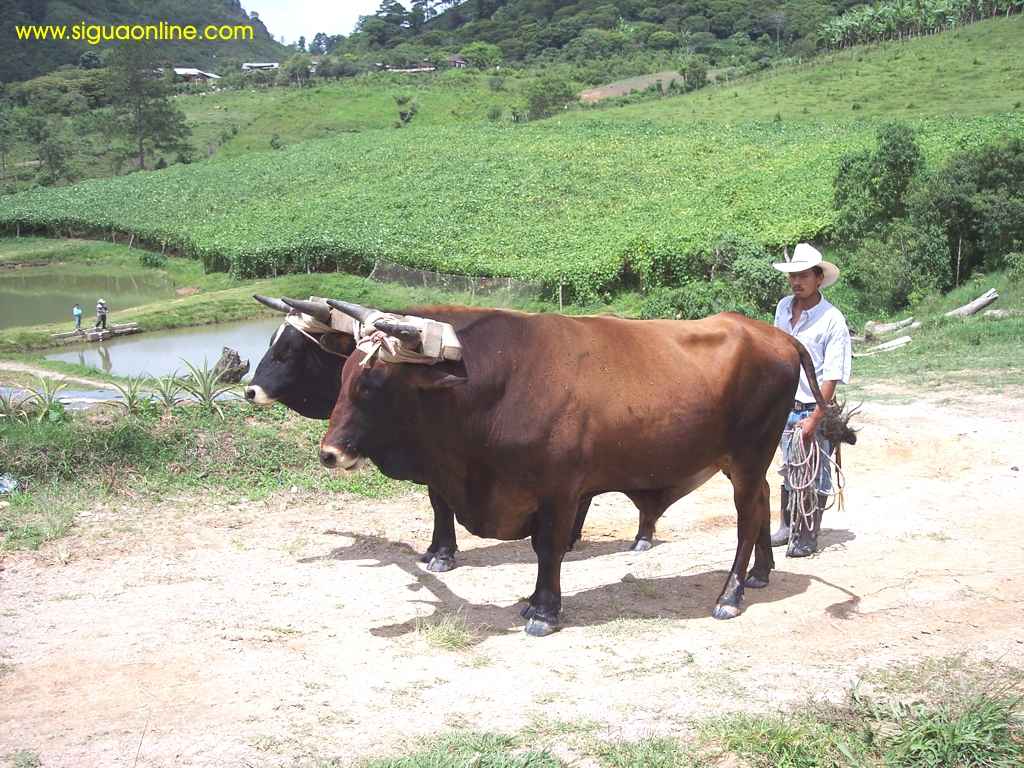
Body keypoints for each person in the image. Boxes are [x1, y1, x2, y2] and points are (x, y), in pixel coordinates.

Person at [769, 243, 852, 557]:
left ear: (819, 278)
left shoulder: (832, 320)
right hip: (784, 405)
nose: (796, 282)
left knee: (814, 469)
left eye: (803, 275)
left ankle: (808, 533)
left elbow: (831, 375)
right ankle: (788, 526)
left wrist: (816, 417)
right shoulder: (783, 308)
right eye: (793, 276)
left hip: (811, 406)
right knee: (789, 467)